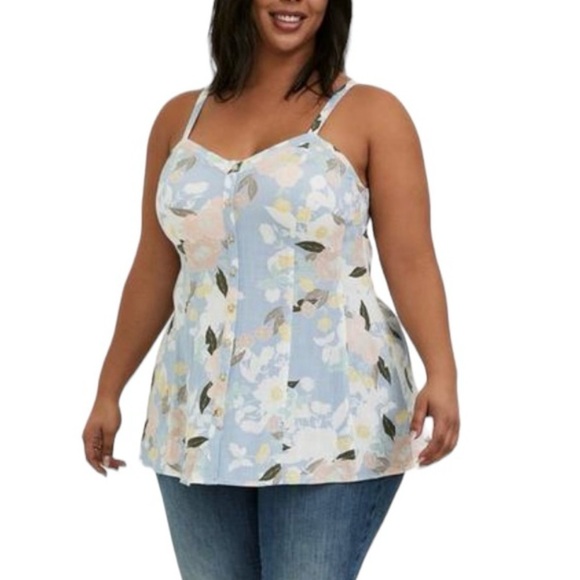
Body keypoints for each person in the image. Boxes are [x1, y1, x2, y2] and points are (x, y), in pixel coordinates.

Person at [82, 0, 460, 578]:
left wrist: (443, 371)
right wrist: (109, 388)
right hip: (196, 417)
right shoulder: (179, 119)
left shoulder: (372, 114)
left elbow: (410, 258)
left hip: (332, 419)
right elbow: (156, 267)